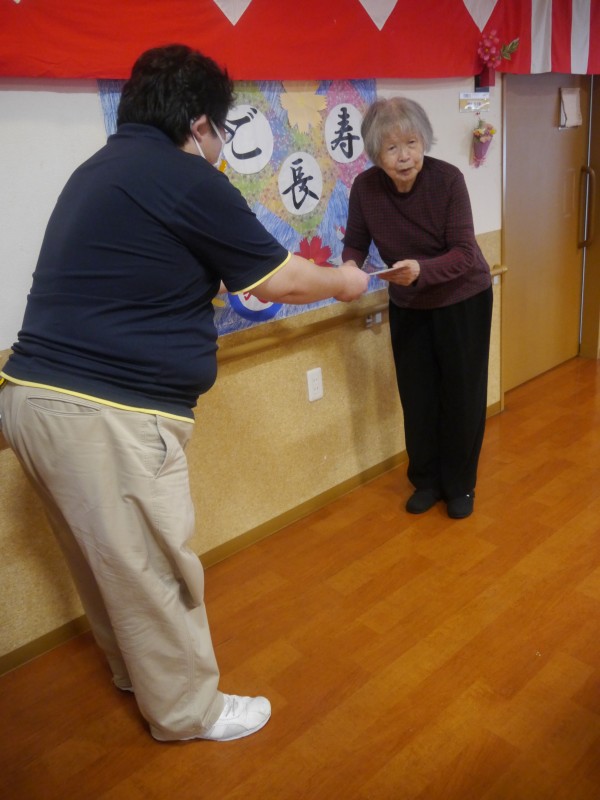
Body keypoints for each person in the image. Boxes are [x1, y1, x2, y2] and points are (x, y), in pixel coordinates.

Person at [0, 44, 368, 743]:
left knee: (102, 558)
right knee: (152, 569)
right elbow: (278, 280)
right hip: (105, 413)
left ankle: (135, 672)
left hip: (27, 399)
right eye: (221, 129)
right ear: (199, 124)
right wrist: (346, 282)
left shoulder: (96, 170)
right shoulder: (185, 176)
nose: (221, 144)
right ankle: (187, 712)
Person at [342, 97, 492, 520]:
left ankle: (460, 485)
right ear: (376, 153)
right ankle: (426, 481)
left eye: (412, 143)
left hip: (463, 298)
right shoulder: (365, 188)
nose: (405, 156)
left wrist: (422, 269)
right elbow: (355, 242)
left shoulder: (448, 180)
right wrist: (349, 268)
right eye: (392, 148)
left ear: (424, 141)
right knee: (418, 395)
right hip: (408, 302)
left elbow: (465, 253)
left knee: (461, 395)